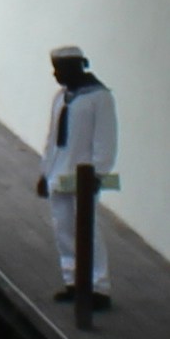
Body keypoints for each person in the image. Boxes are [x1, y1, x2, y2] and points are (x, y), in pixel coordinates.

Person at [38, 46, 122, 309]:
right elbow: (53, 139)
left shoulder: (100, 98)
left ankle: (98, 286)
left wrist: (98, 171)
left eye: (60, 69)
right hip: (59, 172)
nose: (55, 75)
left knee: (87, 229)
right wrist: (45, 172)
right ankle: (73, 280)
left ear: (75, 67)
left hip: (84, 174)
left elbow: (105, 139)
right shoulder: (62, 98)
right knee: (63, 228)